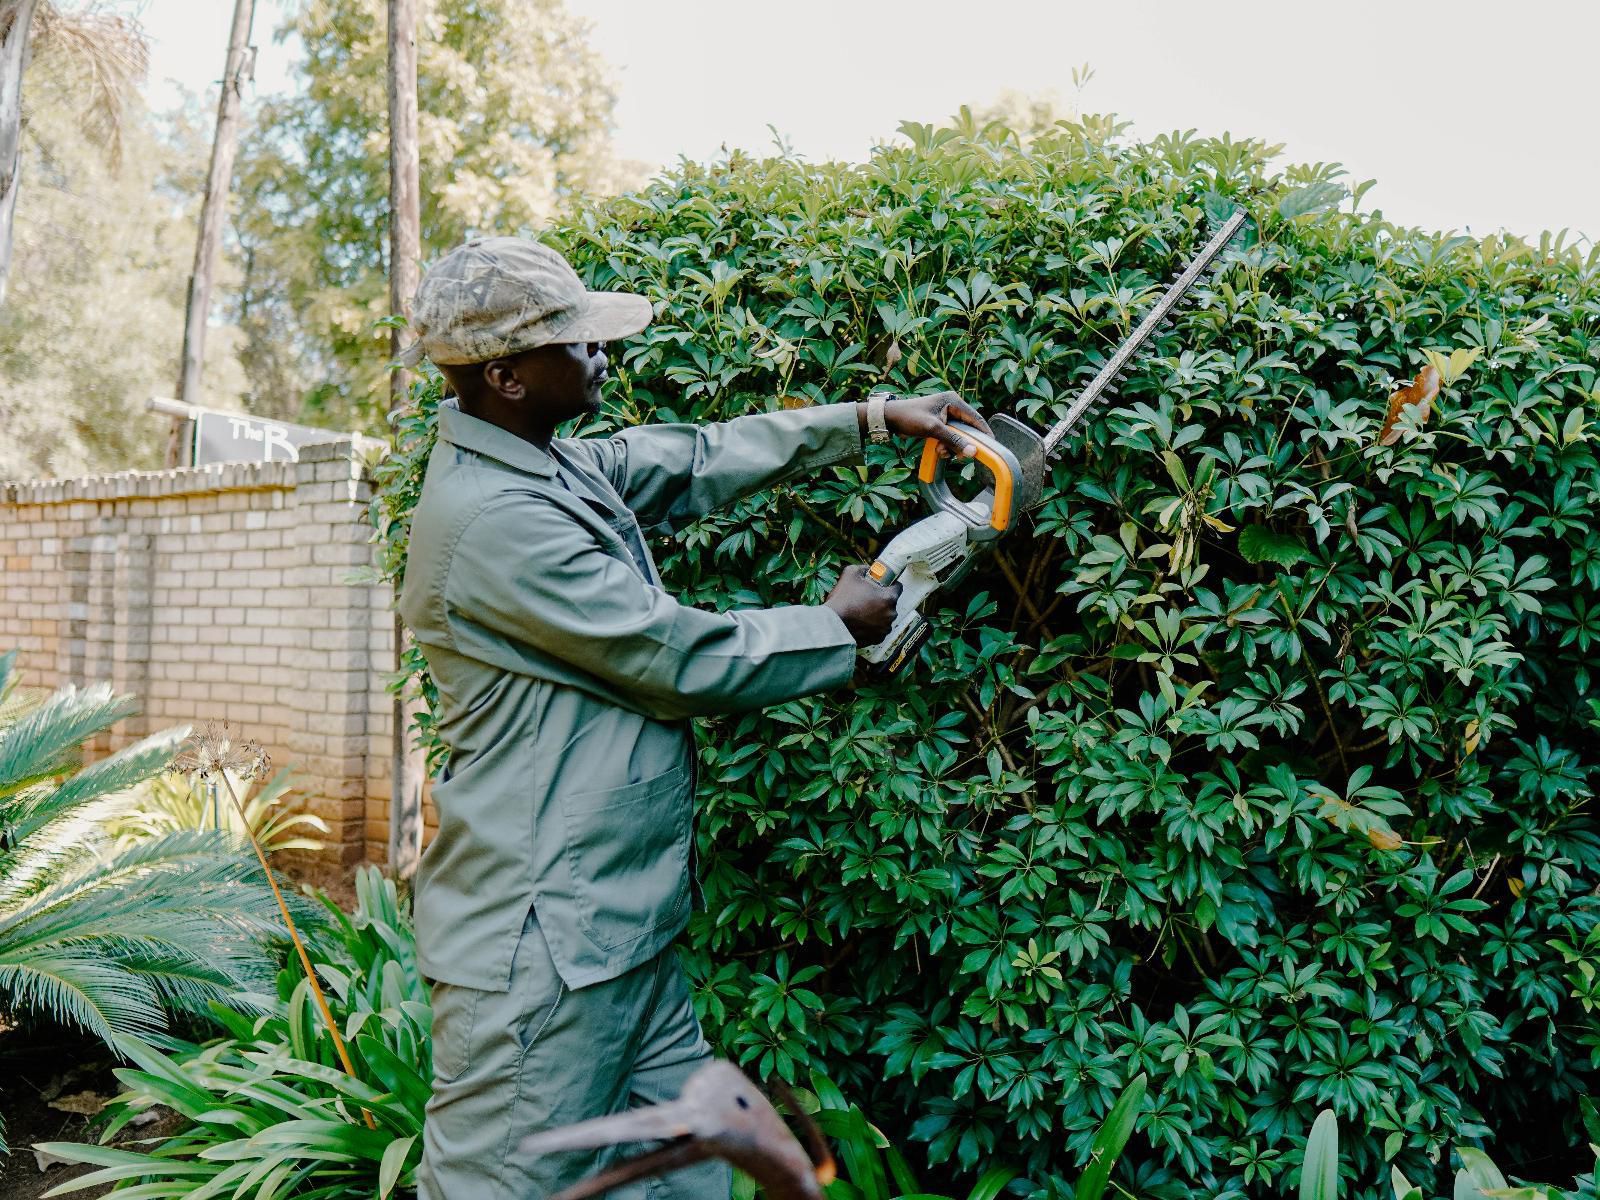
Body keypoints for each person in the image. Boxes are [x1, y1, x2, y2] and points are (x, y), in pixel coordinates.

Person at [396, 236, 989, 1199]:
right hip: (539, 952)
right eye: (575, 342)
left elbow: (697, 456)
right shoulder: (491, 518)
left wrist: (873, 417)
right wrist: (835, 628)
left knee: (678, 1178)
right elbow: (668, 655)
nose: (601, 354)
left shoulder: (552, 468)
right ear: (505, 375)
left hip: (620, 932)